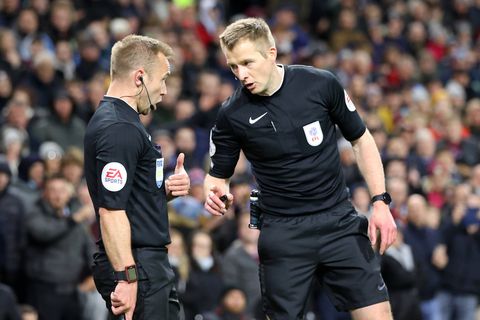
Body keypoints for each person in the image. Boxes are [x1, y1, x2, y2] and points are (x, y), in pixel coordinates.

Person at [204, 18, 397, 320]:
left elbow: (361, 140)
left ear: (271, 53)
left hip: (339, 221)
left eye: (247, 62)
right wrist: (215, 193)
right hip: (283, 232)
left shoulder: (321, 84)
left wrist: (380, 202)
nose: (241, 74)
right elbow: (217, 177)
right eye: (233, 67)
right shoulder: (232, 114)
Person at [84, 34, 190, 320]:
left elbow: (126, 198)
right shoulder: (118, 127)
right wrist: (126, 277)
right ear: (140, 77)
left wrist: (163, 190)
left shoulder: (122, 121)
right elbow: (111, 210)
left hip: (145, 265)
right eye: (162, 79)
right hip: (137, 266)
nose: (165, 90)